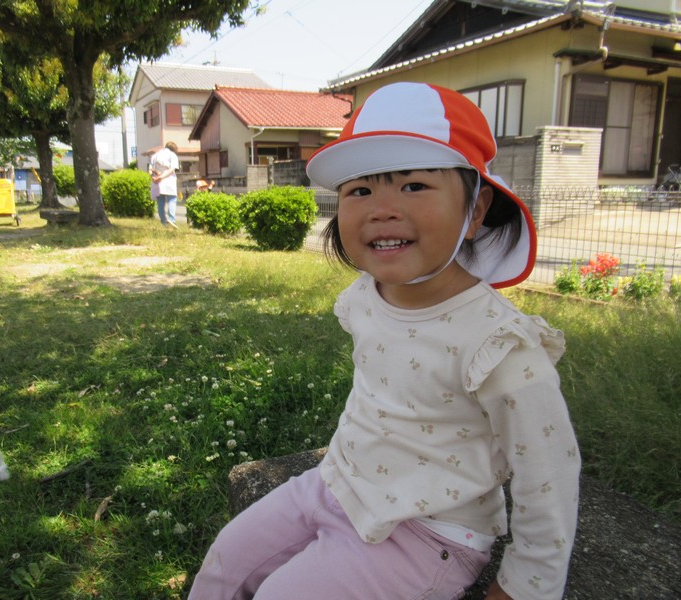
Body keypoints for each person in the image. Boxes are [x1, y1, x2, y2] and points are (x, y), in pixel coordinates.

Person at [188, 82, 581, 600]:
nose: (382, 209)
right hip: (335, 484)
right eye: (360, 190)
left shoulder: (499, 344)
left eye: (414, 185)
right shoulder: (365, 297)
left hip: (429, 533)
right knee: (225, 561)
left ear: (476, 209)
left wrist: (527, 584)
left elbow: (549, 471)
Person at [150, 141, 180, 228]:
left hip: (157, 181)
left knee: (160, 201)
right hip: (168, 180)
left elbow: (150, 169)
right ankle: (171, 219)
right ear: (173, 149)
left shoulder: (155, 156)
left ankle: (163, 221)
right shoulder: (172, 155)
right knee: (172, 199)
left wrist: (154, 177)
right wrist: (162, 177)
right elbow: (172, 169)